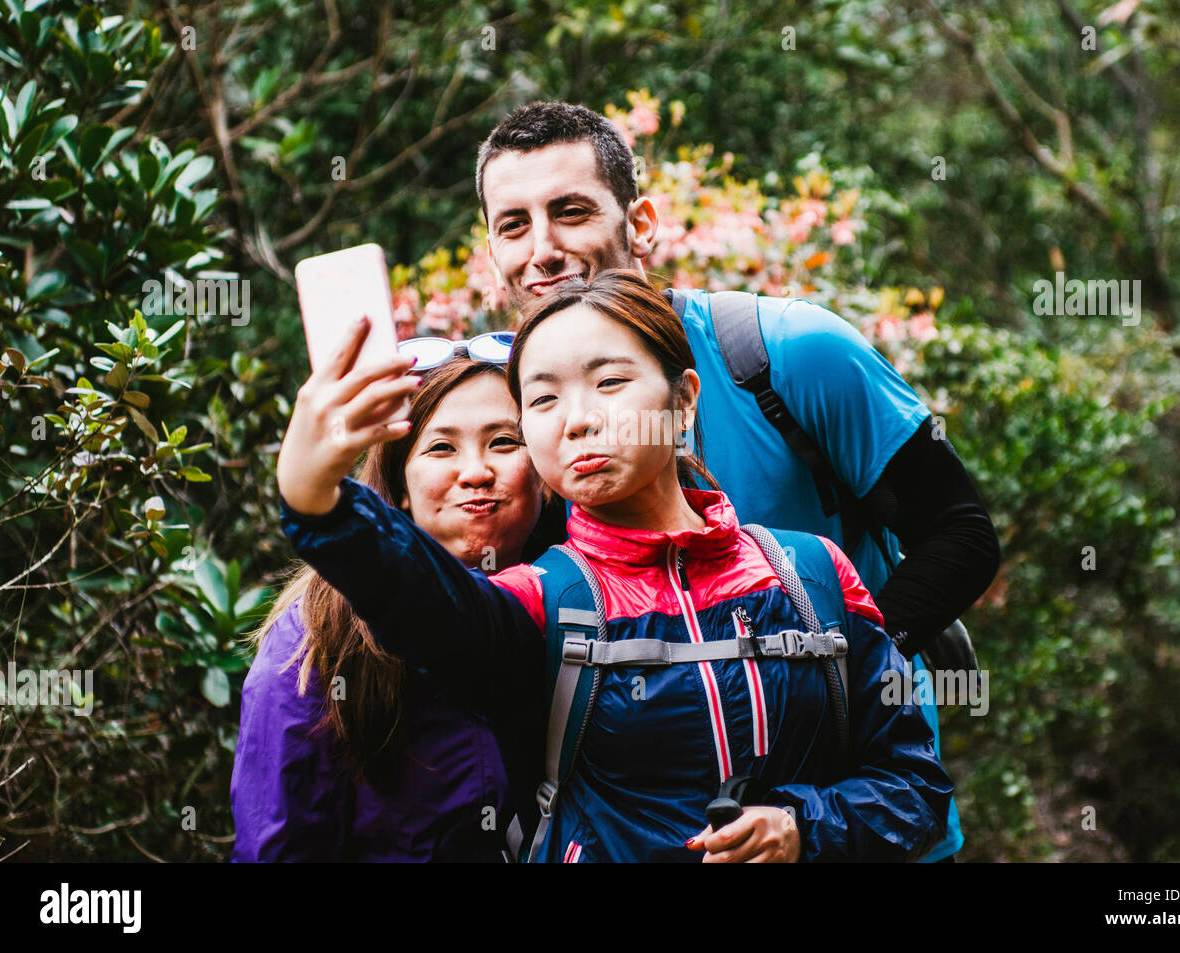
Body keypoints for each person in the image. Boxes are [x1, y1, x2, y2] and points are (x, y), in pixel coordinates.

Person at [277, 269, 954, 862]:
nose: (576, 419)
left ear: (684, 398)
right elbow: (423, 601)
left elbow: (915, 788)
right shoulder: (539, 600)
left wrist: (801, 826)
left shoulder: (810, 573)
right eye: (542, 399)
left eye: (609, 382)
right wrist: (321, 504)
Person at [473, 101, 1002, 860]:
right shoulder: (515, 414)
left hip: (862, 816)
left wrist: (835, 672)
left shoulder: (783, 352)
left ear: (642, 224)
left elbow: (962, 534)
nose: (544, 249)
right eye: (513, 224)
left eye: (571, 211)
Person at [231, 344, 559, 861]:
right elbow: (280, 842)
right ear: (400, 484)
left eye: (502, 441)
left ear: (542, 472)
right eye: (441, 449)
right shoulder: (316, 637)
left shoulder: (581, 598)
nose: (475, 471)